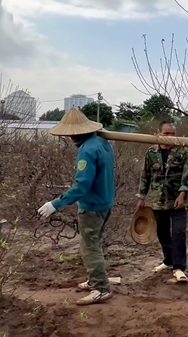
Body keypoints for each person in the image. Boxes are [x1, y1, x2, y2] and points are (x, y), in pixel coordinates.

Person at [37, 108, 115, 306]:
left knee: (90, 247)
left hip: (92, 206)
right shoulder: (102, 143)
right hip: (105, 202)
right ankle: (95, 279)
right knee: (92, 243)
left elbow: (82, 185)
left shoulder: (87, 150)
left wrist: (56, 203)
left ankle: (101, 288)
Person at [136, 121, 188, 282]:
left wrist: (182, 194)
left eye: (173, 134)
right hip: (158, 201)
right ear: (159, 133)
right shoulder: (151, 152)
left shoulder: (182, 151)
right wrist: (141, 196)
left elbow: (187, 175)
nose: (170, 137)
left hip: (178, 201)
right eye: (166, 133)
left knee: (179, 233)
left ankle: (179, 267)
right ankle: (168, 261)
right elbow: (145, 175)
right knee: (162, 232)